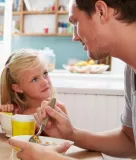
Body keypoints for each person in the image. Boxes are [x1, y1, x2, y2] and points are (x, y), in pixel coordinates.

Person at [8, 0, 136, 159]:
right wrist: (72, 134)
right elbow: (130, 142)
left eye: (75, 22)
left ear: (101, 11)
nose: (74, 36)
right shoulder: (131, 71)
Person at [0, 49, 66, 132]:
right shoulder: (14, 112)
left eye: (45, 73)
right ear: (18, 88)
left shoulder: (57, 110)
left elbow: (67, 139)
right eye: (34, 79)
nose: (45, 82)